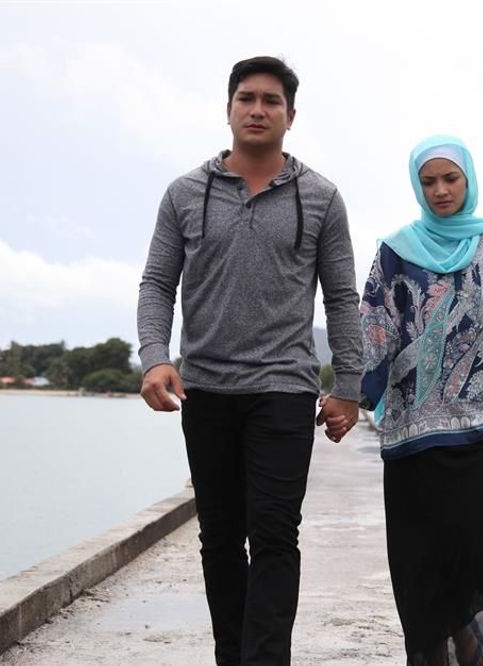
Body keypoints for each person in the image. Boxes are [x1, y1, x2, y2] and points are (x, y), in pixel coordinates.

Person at [136, 56, 362, 666]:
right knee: (218, 539)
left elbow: (342, 297)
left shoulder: (321, 197)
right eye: (246, 98)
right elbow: (157, 283)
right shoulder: (185, 193)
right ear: (229, 108)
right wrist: (155, 357)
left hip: (284, 389)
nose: (258, 110)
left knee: (274, 533)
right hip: (205, 388)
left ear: (291, 115)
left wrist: (348, 385)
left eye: (271, 100)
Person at [360, 134, 483, 665]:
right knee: (426, 579)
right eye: (428, 182)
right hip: (415, 448)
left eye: (450, 179)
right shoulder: (394, 253)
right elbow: (372, 335)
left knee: (482, 571)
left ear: (469, 180)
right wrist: (346, 398)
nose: (440, 190)